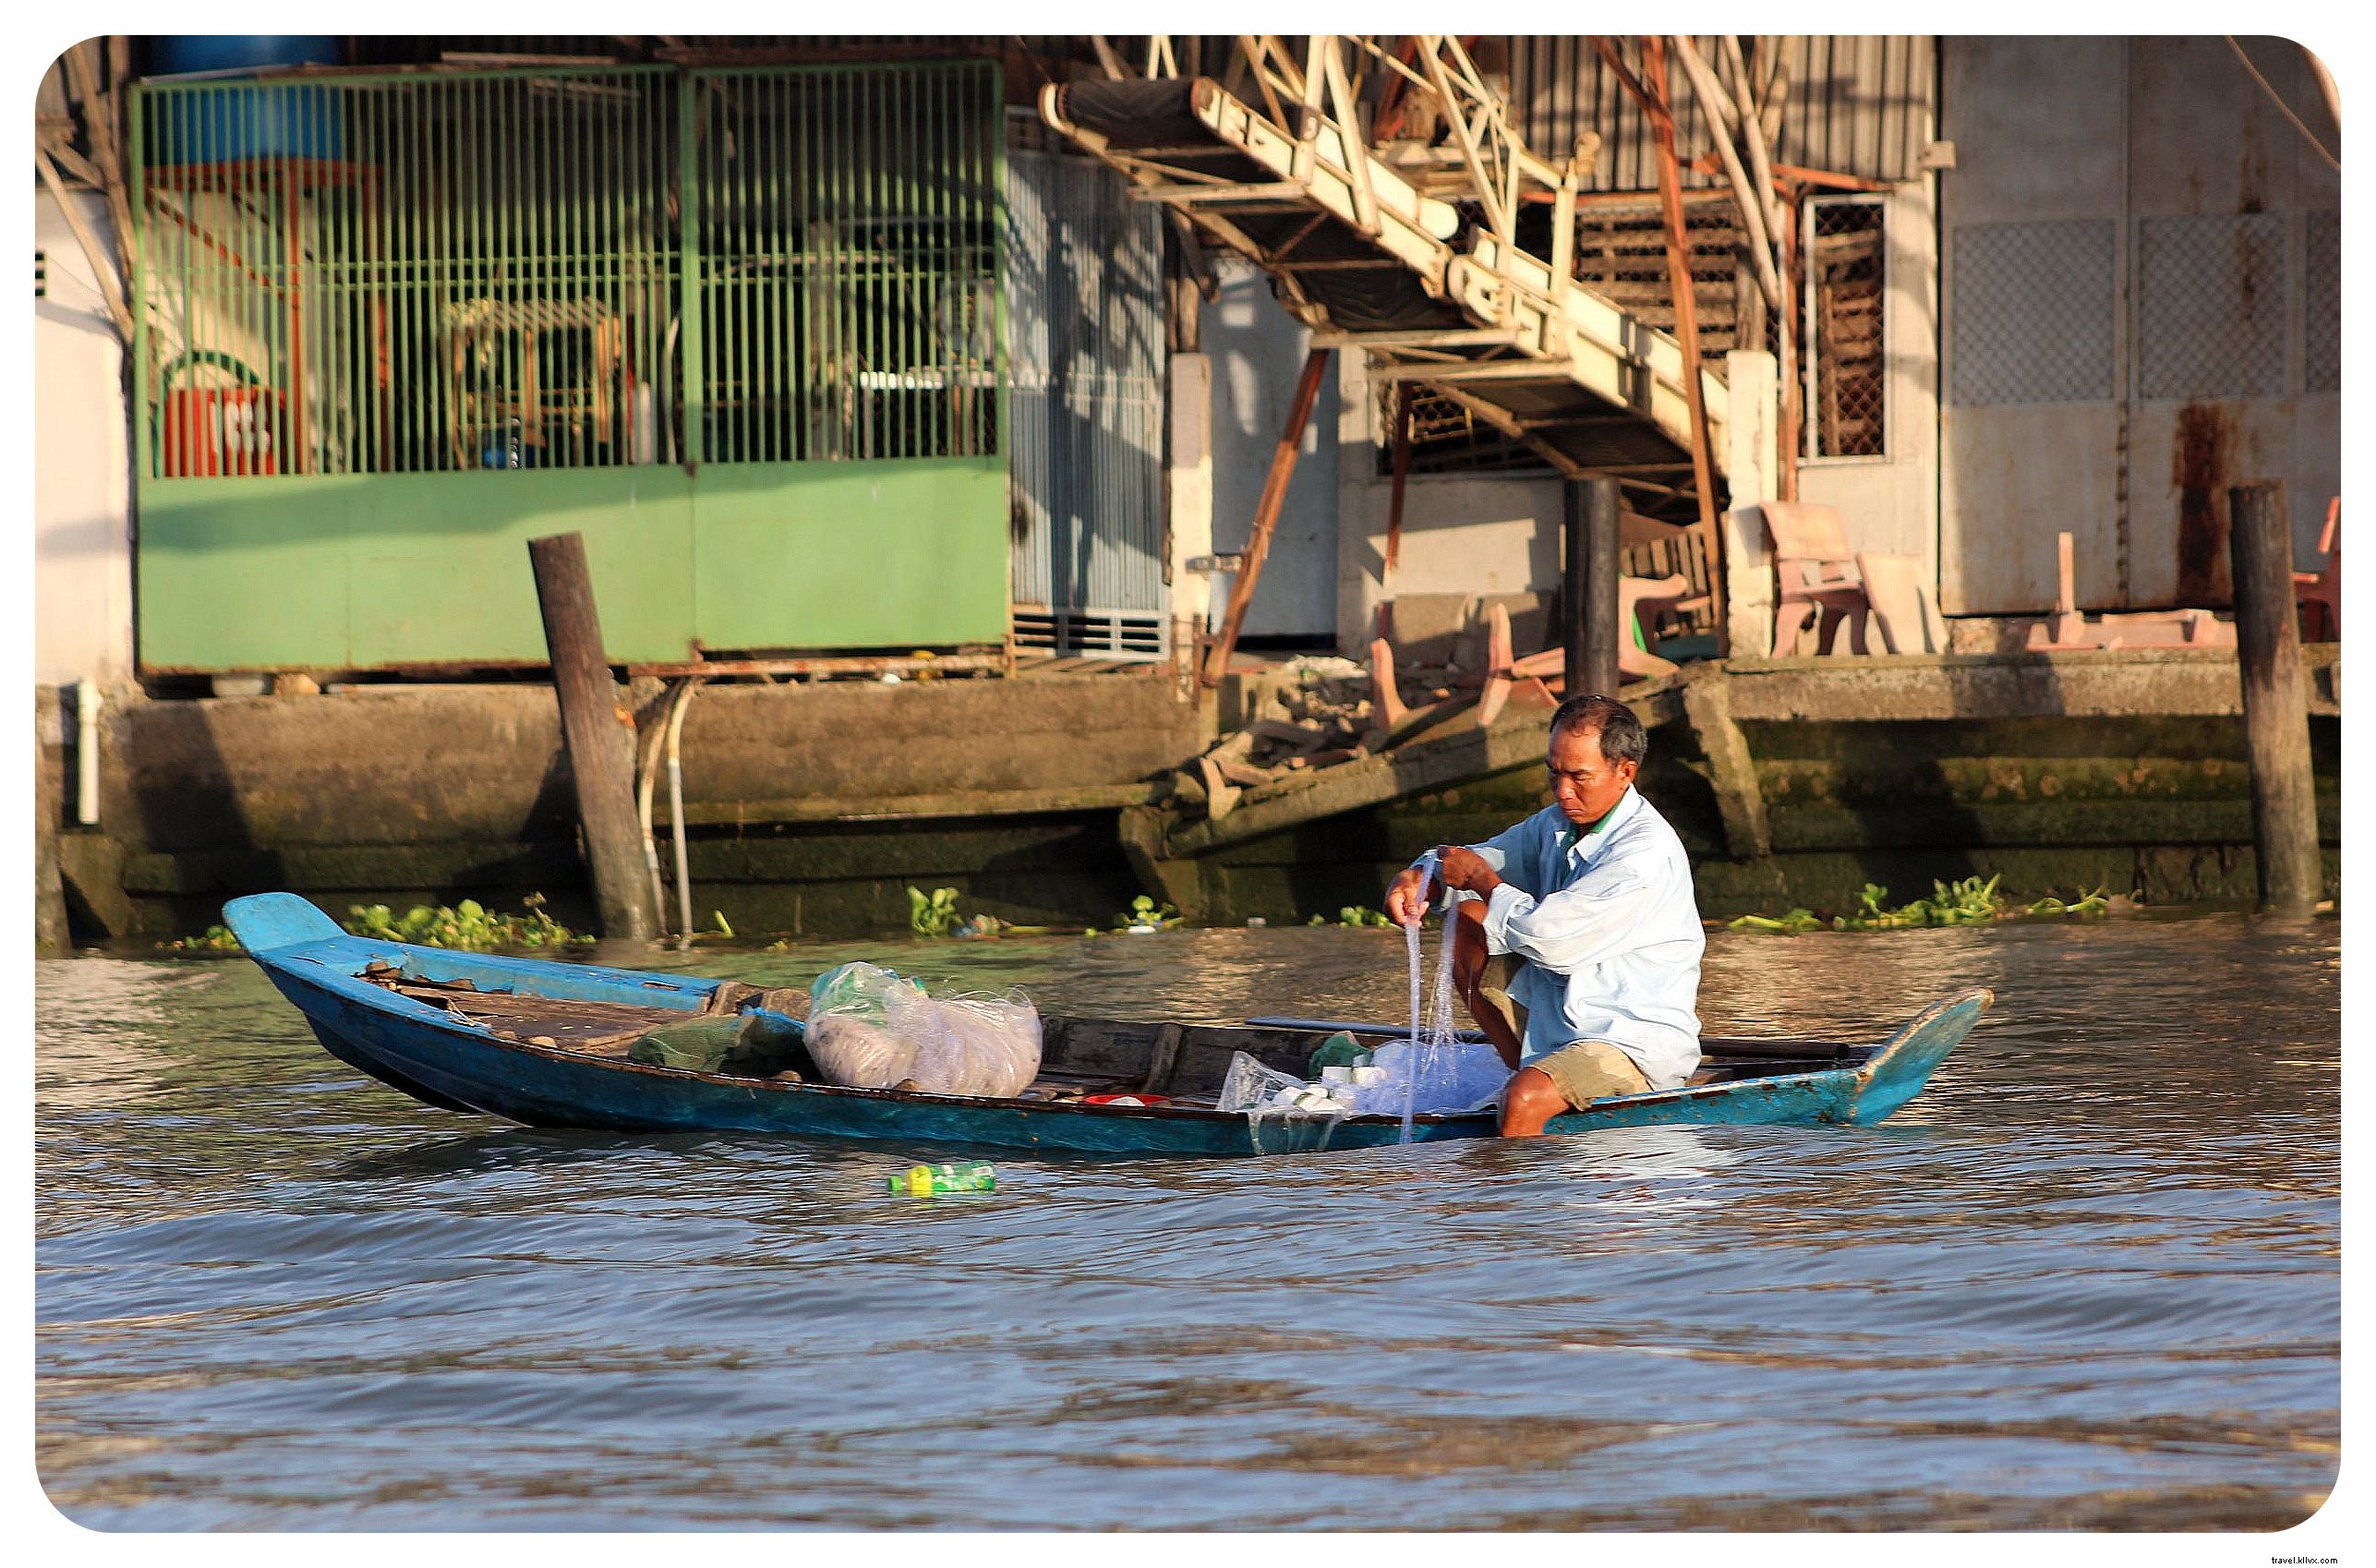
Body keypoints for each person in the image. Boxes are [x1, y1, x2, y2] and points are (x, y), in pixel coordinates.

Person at [1382, 693, 1704, 1138]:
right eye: (1554, 774)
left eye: (1579, 777)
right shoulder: (1556, 824)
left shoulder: (1642, 854)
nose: (1563, 791)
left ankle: (1519, 1199)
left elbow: (1551, 941)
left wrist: (1480, 878)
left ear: (1625, 772)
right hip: (1560, 1024)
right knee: (1469, 919)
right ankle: (1532, 1071)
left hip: (1631, 1041)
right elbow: (1481, 857)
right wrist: (1421, 876)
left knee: (1524, 1098)